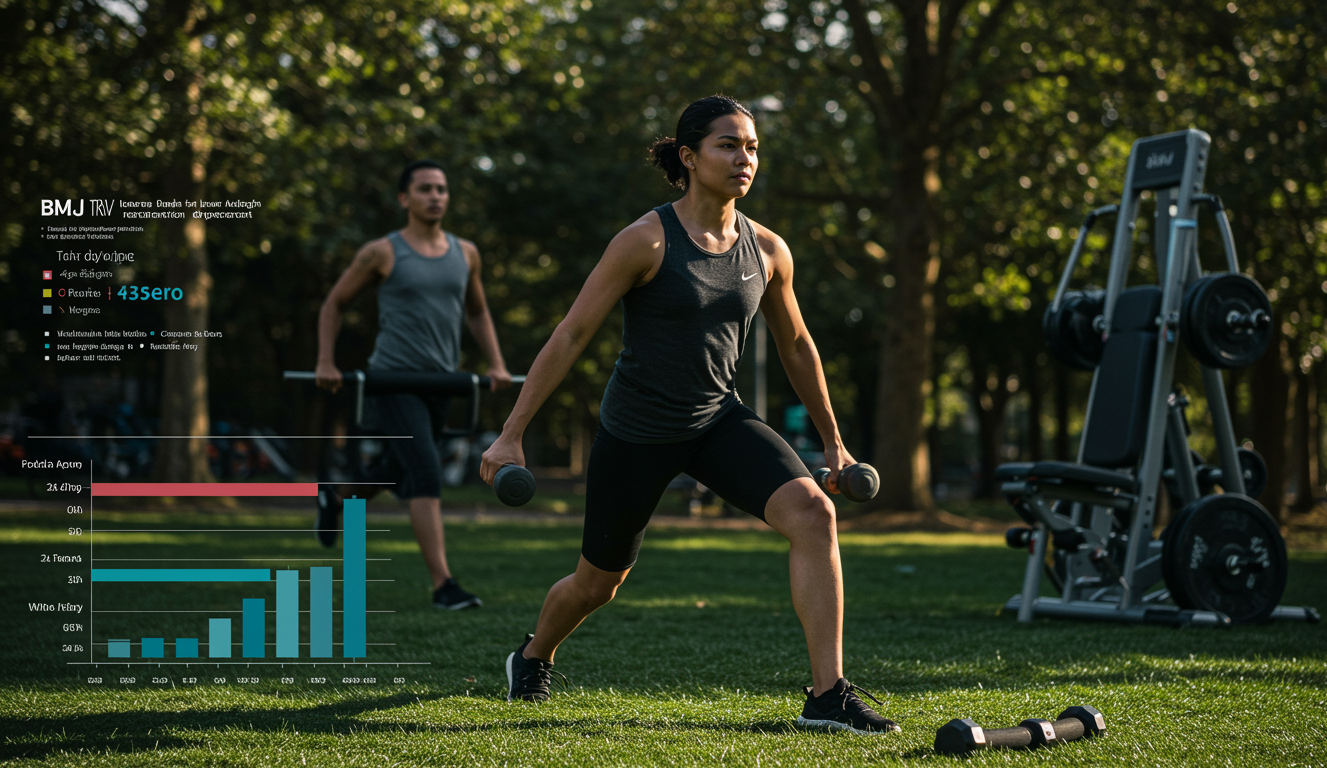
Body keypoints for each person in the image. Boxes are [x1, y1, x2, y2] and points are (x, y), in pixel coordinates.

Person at [480, 96, 900, 734]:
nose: (744, 158)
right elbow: (572, 334)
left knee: (815, 514)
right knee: (598, 584)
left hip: (716, 421)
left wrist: (834, 443)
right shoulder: (645, 241)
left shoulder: (768, 249)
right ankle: (533, 655)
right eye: (728, 145)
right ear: (689, 156)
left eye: (751, 147)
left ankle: (827, 695)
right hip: (637, 432)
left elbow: (796, 345)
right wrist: (511, 434)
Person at [316, 159, 514, 610]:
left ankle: (336, 498)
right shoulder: (381, 252)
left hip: (441, 383)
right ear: (405, 198)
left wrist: (497, 364)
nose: (435, 196)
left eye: (441, 189)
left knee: (396, 471)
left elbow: (477, 312)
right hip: (392, 380)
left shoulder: (466, 253)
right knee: (425, 472)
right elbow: (334, 304)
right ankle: (444, 585)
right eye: (425, 189)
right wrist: (326, 361)